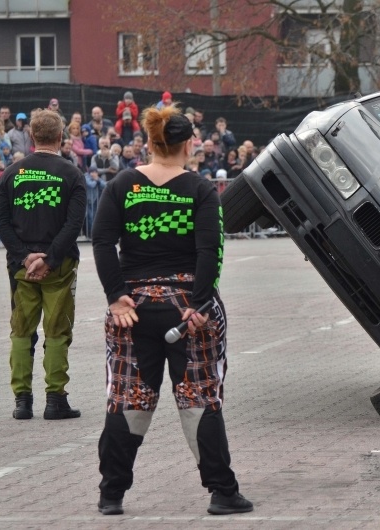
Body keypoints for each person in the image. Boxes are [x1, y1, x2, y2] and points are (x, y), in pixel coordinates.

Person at [91, 104, 252, 516]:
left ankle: (111, 494)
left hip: (133, 307)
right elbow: (210, 251)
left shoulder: (122, 184)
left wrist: (116, 296)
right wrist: (200, 303)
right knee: (200, 397)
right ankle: (222, 491)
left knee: (128, 397)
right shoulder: (200, 189)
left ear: (149, 142)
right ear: (190, 145)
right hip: (187, 310)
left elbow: (102, 241)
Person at [0, 108, 86, 421]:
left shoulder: (10, 173)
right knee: (57, 332)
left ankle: (22, 401)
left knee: (21, 331)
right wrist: (50, 257)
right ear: (60, 136)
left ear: (31, 136)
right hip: (59, 266)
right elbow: (74, 224)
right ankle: (55, 400)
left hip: (21, 268)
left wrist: (24, 256)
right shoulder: (72, 174)